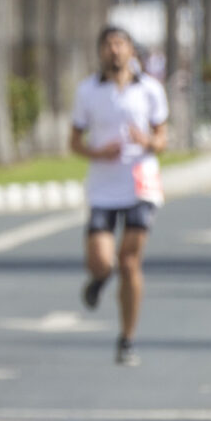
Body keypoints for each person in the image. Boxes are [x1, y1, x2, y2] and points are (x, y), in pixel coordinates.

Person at [71, 26, 169, 366]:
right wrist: (98, 153)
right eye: (108, 45)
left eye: (120, 44)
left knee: (129, 263)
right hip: (103, 185)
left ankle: (127, 338)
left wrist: (147, 143)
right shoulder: (88, 91)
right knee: (101, 261)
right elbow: (74, 142)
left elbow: (162, 138)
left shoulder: (150, 89)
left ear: (130, 50)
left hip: (140, 182)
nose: (114, 51)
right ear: (100, 51)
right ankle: (98, 280)